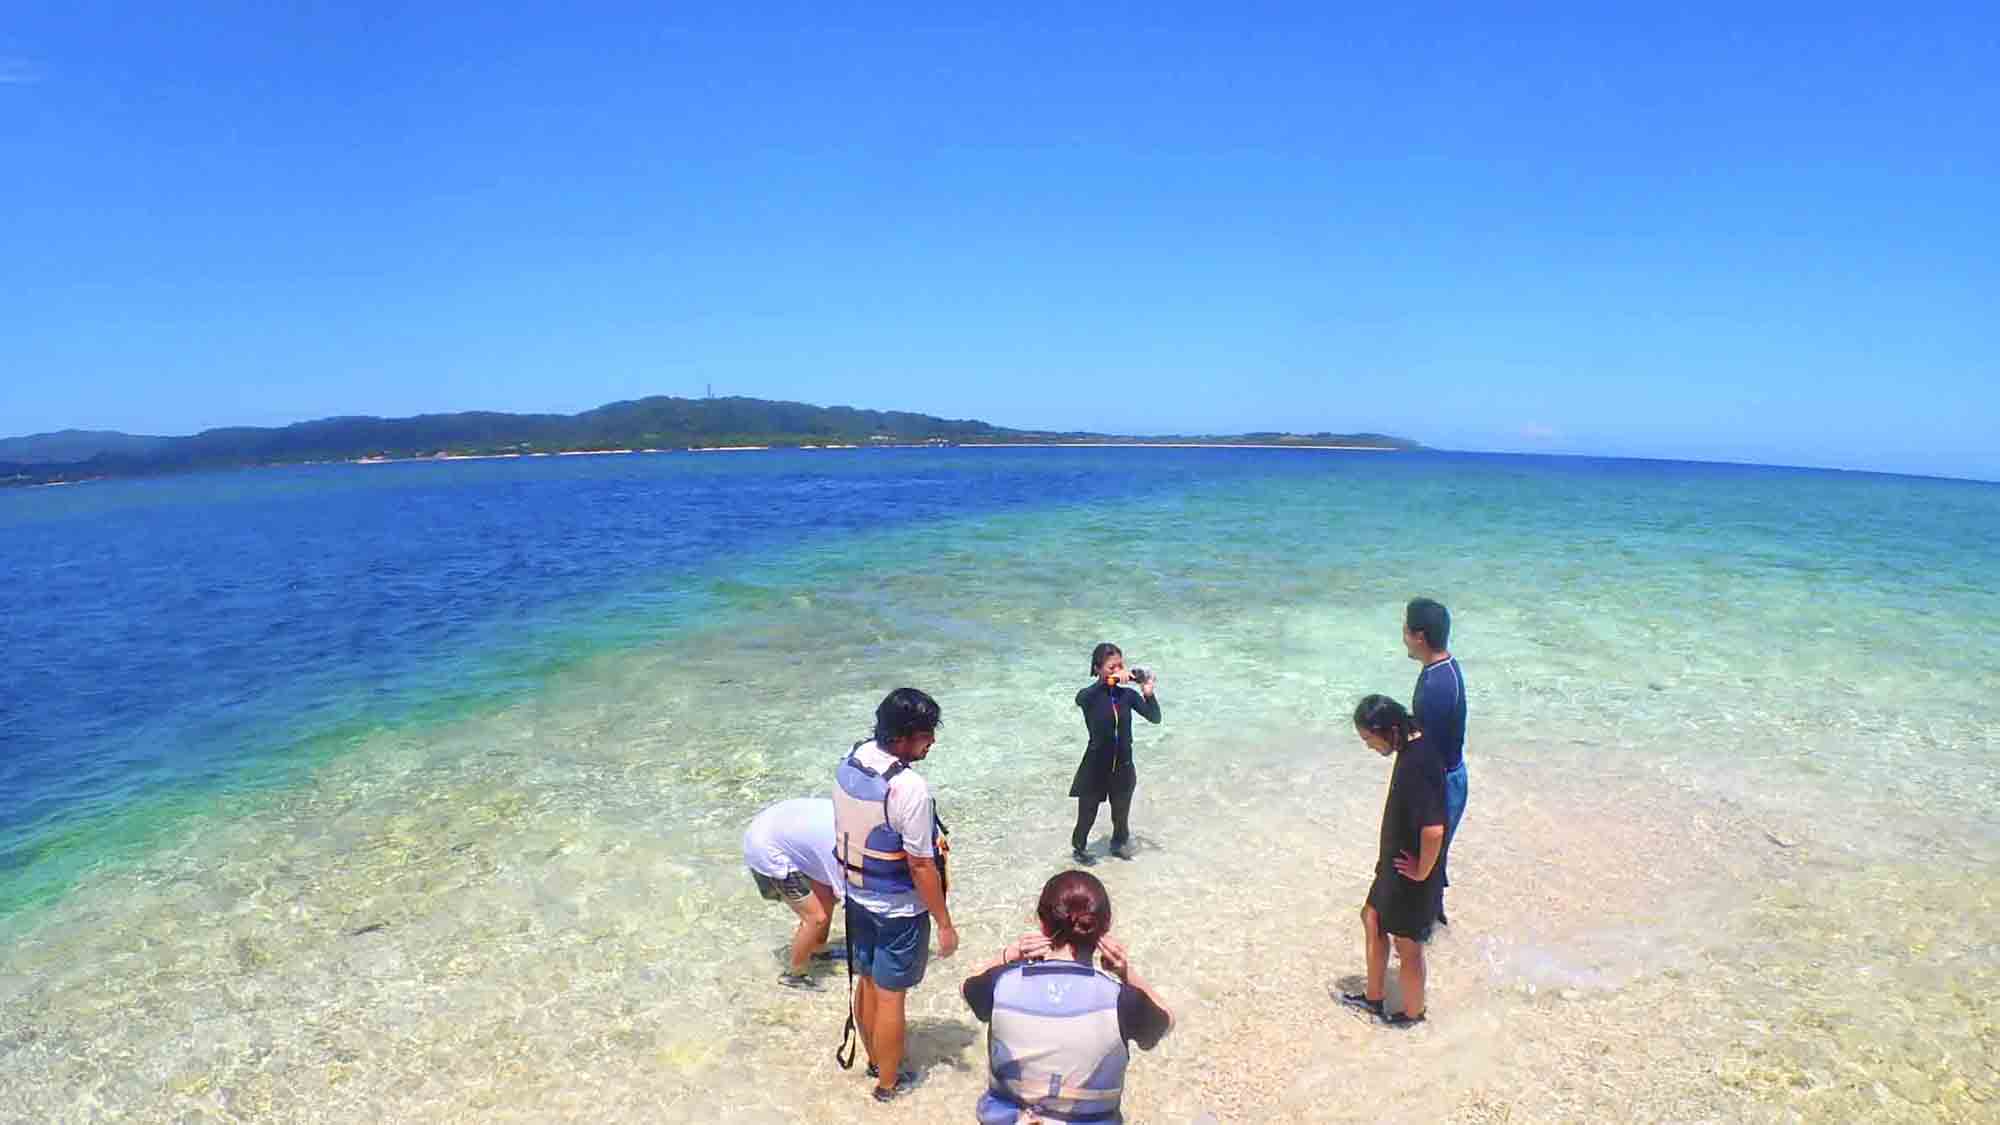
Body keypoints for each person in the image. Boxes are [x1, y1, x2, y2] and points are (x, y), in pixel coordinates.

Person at [961, 870, 1173, 1124]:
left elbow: (967, 986)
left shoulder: (1000, 984)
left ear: (1041, 923)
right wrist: (1127, 973)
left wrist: (1010, 954)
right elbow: (1167, 1021)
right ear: (1104, 928)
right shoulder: (1122, 1001)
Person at [832, 687, 959, 1103]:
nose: (933, 741)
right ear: (904, 737)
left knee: (866, 981)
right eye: (926, 734)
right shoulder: (909, 789)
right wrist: (943, 922)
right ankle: (888, 1083)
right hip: (898, 910)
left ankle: (873, 1058)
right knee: (891, 997)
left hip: (856, 896)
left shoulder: (853, 758)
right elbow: (921, 865)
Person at [1340, 695, 1446, 1026]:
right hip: (1395, 865)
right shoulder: (1413, 744)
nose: (1369, 747)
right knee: (1371, 917)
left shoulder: (1417, 763)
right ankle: (1374, 998)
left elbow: (1433, 831)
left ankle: (1412, 1016)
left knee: (1407, 944)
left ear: (1384, 729)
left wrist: (1422, 872)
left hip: (1409, 871)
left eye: (1368, 739)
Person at [1404, 596, 1467, 923]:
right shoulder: (1443, 668)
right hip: (1450, 775)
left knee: (1423, 856)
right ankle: (1432, 915)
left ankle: (1421, 927)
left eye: (1405, 629)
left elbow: (1427, 752)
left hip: (1442, 781)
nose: (1402, 634)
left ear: (1420, 637)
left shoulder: (1436, 686)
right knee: (1433, 854)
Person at [1069, 643, 1162, 863]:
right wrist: (1109, 681)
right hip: (1095, 766)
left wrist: (1148, 693)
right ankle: (1079, 849)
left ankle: (1118, 844)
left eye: (1120, 665)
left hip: (1123, 766)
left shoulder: (1127, 696)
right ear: (1097, 669)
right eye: (1112, 667)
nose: (1118, 670)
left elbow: (1155, 717)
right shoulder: (1089, 696)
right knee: (1086, 817)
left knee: (1120, 818)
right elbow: (1081, 698)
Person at [741, 796, 842, 990]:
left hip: (782, 831)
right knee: (815, 917)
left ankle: (819, 950)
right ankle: (794, 974)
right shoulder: (836, 844)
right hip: (768, 850)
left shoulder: (855, 821)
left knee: (827, 897)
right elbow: (849, 896)